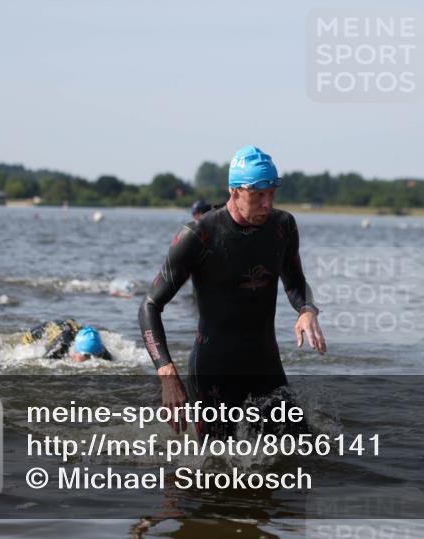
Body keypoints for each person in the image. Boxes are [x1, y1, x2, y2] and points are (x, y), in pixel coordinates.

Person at [138, 145, 326, 435]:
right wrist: (166, 374)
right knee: (214, 468)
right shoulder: (199, 235)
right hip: (214, 370)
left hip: (265, 365)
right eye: (258, 195)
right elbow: (150, 305)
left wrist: (306, 309)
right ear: (235, 190)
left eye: (272, 194)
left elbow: (295, 281)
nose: (267, 204)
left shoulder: (283, 227)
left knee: (305, 450)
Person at [21, 319, 113, 362]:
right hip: (40, 331)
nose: (92, 360)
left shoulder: (99, 349)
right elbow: (41, 364)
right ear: (76, 352)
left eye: (96, 355)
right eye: (87, 357)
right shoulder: (61, 346)